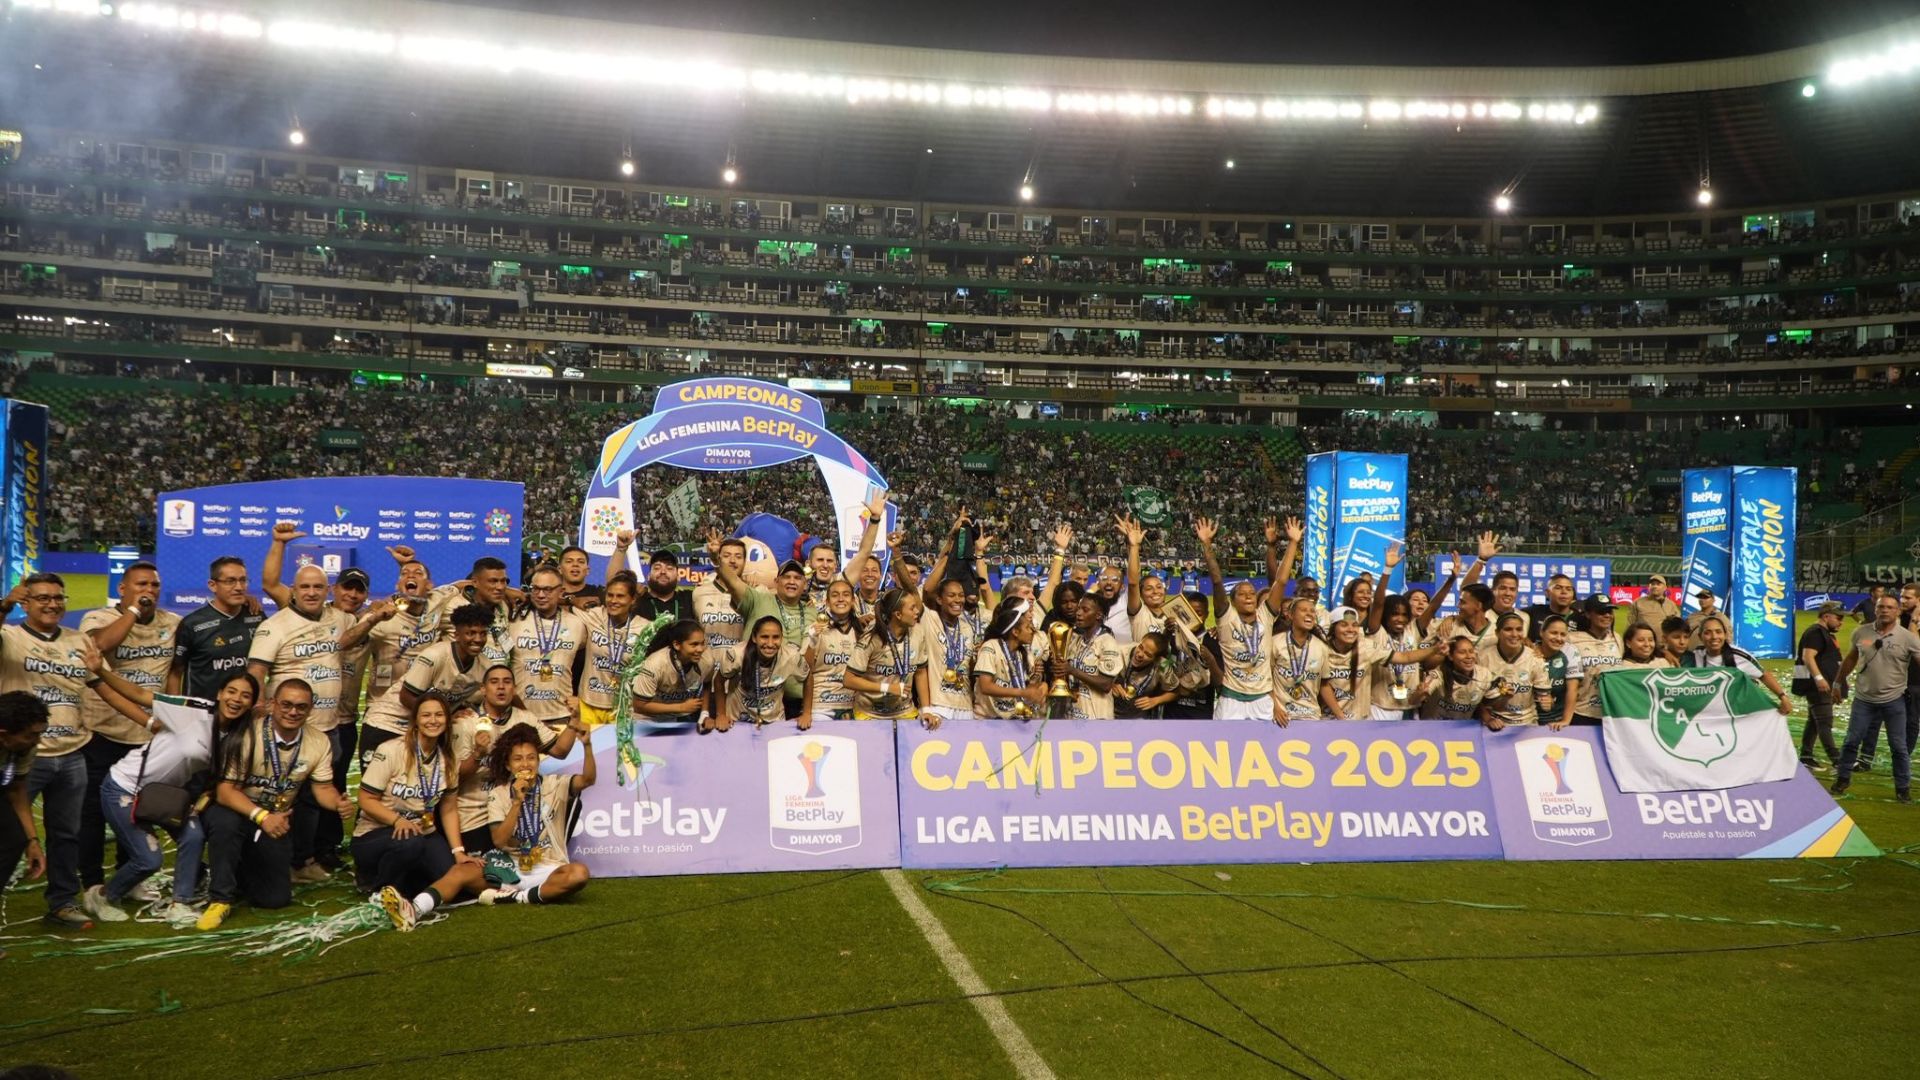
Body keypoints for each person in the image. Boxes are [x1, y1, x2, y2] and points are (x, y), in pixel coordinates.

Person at [247, 563, 392, 883]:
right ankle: (265, 857)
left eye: (317, 587)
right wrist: (257, 706)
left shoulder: (337, 618)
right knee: (279, 794)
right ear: (294, 590)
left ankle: (304, 859)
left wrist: (373, 617)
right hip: (288, 728)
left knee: (314, 799)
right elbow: (256, 670)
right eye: (305, 587)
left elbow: (347, 638)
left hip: (327, 729)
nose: (311, 592)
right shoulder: (274, 626)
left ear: (327, 591)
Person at [86, 669, 258, 928]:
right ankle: (102, 896)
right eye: (231, 692)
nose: (236, 699)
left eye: (245, 696)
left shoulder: (238, 735)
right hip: (125, 788)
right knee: (149, 860)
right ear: (219, 693)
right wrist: (100, 672)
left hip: (165, 797)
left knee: (194, 835)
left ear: (252, 703)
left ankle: (180, 903)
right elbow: (140, 694)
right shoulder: (194, 709)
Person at [197, 679, 353, 930]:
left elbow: (323, 788)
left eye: (301, 707)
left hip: (275, 819)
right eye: (286, 704)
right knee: (226, 824)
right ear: (272, 704)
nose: (293, 712)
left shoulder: (319, 741)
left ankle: (236, 871)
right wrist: (262, 817)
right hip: (236, 809)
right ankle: (220, 898)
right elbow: (225, 792)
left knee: (274, 899)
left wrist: (337, 803)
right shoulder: (248, 733)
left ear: (310, 709)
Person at [1, 572, 109, 930]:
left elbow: (104, 685)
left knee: (66, 835)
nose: (52, 604)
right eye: (43, 598)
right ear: (26, 602)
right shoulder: (10, 636)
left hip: (72, 752)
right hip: (21, 754)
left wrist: (150, 718)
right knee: (7, 836)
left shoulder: (80, 640)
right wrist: (4, 605)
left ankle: (62, 903)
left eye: (58, 597)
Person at [77, 560, 181, 902]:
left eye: (154, 585)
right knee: (93, 812)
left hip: (147, 737)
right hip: (102, 733)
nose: (149, 590)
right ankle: (92, 881)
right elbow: (99, 645)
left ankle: (130, 874)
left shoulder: (172, 623)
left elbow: (174, 671)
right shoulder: (97, 618)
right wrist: (134, 611)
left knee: (136, 811)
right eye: (141, 585)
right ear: (122, 589)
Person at [351, 692, 488, 932]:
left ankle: (405, 884)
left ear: (447, 720)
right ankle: (378, 886)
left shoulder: (448, 758)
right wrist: (397, 820)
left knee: (451, 880)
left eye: (439, 715)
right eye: (426, 715)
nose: (433, 721)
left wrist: (458, 852)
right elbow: (366, 799)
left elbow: (448, 808)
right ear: (415, 720)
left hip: (424, 832)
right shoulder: (391, 750)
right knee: (410, 842)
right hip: (376, 834)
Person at [451, 664, 582, 855]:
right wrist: (478, 754)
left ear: (514, 688)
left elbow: (560, 751)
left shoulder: (525, 718)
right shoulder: (464, 723)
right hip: (476, 815)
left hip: (515, 812)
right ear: (483, 689)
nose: (501, 687)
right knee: (481, 872)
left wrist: (574, 720)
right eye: (494, 682)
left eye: (507, 682)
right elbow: (453, 779)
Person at [360, 603, 498, 765]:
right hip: (386, 725)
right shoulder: (435, 655)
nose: (478, 639)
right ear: (457, 635)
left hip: (422, 731)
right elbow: (406, 696)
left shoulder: (485, 666)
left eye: (483, 634)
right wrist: (445, 715)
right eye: (471, 633)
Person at [478, 724, 593, 906]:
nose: (525, 764)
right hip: (512, 865)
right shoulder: (498, 793)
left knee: (579, 874)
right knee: (462, 874)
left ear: (539, 762)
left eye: (531, 758)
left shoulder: (555, 784)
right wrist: (517, 802)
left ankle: (518, 897)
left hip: (549, 866)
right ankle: (537, 893)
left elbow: (587, 780)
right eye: (518, 759)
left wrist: (587, 745)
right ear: (508, 765)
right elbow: (499, 841)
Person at [1200, 515, 1299, 720]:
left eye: (1252, 593)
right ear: (1233, 601)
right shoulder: (1227, 619)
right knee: (1224, 741)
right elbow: (1217, 581)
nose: (1248, 596)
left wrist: (1293, 542)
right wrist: (1207, 544)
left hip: (1262, 698)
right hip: (1231, 698)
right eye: (1242, 594)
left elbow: (1280, 582)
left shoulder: (1265, 616)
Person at [1831, 594, 1919, 801]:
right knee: (1851, 741)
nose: (1885, 610)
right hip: (1864, 699)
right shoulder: (1861, 632)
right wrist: (1837, 682)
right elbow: (1851, 658)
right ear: (1875, 609)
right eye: (1881, 607)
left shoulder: (1908, 638)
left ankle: (1903, 789)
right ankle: (1842, 778)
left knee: (1898, 747)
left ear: (1897, 611)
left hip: (1894, 699)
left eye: (1890, 607)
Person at [505, 565, 590, 738]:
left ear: (561, 591)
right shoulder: (513, 620)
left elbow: (587, 662)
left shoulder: (577, 624)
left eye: (548, 589)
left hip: (562, 714)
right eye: (536, 589)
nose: (541, 595)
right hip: (521, 713)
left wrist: (580, 698)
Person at [170, 556, 265, 699]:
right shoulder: (192, 624)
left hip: (243, 708)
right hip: (201, 709)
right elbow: (176, 672)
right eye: (230, 581)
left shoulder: (257, 616)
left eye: (243, 580)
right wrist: (174, 709)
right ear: (212, 585)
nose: (239, 587)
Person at [0, 691, 52, 950]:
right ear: (4, 734)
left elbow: (17, 791)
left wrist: (32, 842)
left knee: (14, 840)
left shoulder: (22, 748)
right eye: (30, 735)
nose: (37, 741)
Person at [579, 571, 653, 728]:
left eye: (620, 596)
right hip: (589, 703)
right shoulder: (594, 615)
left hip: (623, 708)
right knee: (589, 744)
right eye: (610, 595)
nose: (613, 601)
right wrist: (571, 599)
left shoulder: (645, 628)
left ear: (632, 599)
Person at [713, 616, 814, 730]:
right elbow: (718, 680)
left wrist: (807, 713)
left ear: (782, 638)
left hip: (775, 723)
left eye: (776, 637)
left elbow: (808, 677)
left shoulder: (791, 656)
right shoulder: (737, 654)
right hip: (738, 722)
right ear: (754, 637)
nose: (770, 644)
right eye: (764, 637)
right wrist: (721, 714)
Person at [1684, 614, 1794, 715]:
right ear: (1700, 637)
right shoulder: (1697, 654)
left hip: (1739, 709)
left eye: (1718, 632)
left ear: (1725, 634)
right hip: (1713, 711)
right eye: (1707, 633)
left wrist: (1783, 697)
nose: (1714, 637)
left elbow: (1764, 675)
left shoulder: (1739, 655)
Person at [845, 589, 927, 723]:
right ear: (898, 614)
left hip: (904, 712)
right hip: (869, 713)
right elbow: (849, 680)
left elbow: (921, 672)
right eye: (912, 608)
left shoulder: (918, 632)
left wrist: (926, 709)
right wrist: (887, 688)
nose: (917, 611)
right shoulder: (871, 638)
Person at [1044, 592, 1125, 721]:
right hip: (1073, 715)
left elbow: (1106, 684)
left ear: (1098, 615)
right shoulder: (1075, 640)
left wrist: (1072, 670)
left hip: (1097, 718)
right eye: (1079, 609)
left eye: (1085, 610)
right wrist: (1059, 666)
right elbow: (1066, 671)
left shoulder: (1107, 642)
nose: (1078, 613)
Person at [917, 576, 981, 728]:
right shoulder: (930, 619)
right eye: (951, 595)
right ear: (939, 600)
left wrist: (977, 659)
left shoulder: (967, 627)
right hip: (938, 706)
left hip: (965, 706)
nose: (958, 600)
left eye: (961, 595)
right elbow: (924, 590)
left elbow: (968, 669)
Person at [629, 620, 716, 726]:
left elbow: (707, 683)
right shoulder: (655, 664)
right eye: (694, 644)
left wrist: (704, 713)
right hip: (645, 719)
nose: (700, 649)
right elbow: (639, 705)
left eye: (702, 643)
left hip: (675, 717)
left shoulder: (707, 661)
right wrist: (681, 707)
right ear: (677, 645)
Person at [973, 599, 1049, 720]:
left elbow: (1027, 687)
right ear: (1015, 632)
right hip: (986, 722)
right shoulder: (990, 647)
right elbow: (985, 686)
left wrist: (1041, 687)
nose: (1032, 631)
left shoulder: (1024, 654)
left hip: (1012, 722)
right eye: (1028, 627)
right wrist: (1021, 692)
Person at [1478, 613, 1551, 729]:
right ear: (1497, 633)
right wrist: (1488, 719)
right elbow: (1476, 698)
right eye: (1508, 629)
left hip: (1527, 722)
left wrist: (1547, 702)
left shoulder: (1535, 658)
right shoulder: (1483, 658)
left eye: (1519, 629)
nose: (1514, 634)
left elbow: (1544, 697)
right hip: (1493, 722)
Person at [1796, 601, 1845, 772]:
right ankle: (1837, 760)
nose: (1841, 622)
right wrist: (1819, 679)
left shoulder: (1821, 632)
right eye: (1838, 618)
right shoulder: (1816, 633)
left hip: (1818, 683)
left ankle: (1806, 756)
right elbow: (1807, 657)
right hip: (1817, 685)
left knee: (1814, 721)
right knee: (1824, 722)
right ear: (1826, 616)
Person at [804, 579, 862, 723]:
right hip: (822, 705)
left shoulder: (862, 630)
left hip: (854, 705)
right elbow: (806, 669)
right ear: (827, 602)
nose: (841, 599)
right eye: (835, 595)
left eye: (846, 595)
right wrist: (812, 640)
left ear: (853, 601)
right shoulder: (816, 628)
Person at [1271, 596, 1329, 726]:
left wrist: (1341, 717)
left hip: (1310, 716)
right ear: (1291, 615)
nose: (1309, 614)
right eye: (1303, 610)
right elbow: (1266, 681)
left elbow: (1324, 685)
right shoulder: (1275, 643)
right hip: (1282, 717)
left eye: (1312, 611)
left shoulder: (1322, 647)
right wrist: (1275, 706)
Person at [1567, 596, 1624, 725]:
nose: (1607, 615)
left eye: (1609, 611)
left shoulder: (1617, 639)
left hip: (1611, 712)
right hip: (1582, 712)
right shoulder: (1572, 639)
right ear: (1588, 614)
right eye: (1601, 612)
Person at [616, 539, 694, 623]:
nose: (663, 571)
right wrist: (621, 548)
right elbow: (615, 584)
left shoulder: (689, 599)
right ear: (648, 576)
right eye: (657, 568)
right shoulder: (637, 600)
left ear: (678, 576)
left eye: (669, 568)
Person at [691, 535, 748, 650]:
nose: (732, 561)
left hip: (741, 660)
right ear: (719, 558)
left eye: (738, 556)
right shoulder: (699, 592)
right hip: (707, 659)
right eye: (726, 556)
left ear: (745, 561)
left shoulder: (753, 593)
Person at [1418, 637, 1491, 722]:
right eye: (1462, 652)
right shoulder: (1439, 674)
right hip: (1432, 727)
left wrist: (1489, 719)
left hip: (1461, 728)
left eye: (1471, 651)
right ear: (1450, 656)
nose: (1468, 656)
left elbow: (1482, 703)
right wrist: (1419, 693)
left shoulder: (1484, 675)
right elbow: (1413, 701)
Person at [1112, 633, 1180, 719]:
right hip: (1111, 710)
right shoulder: (1119, 652)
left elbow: (1176, 692)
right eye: (1140, 647)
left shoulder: (1163, 666)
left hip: (1138, 715)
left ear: (1156, 659)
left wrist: (1156, 700)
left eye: (1148, 654)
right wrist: (1110, 685)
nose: (1140, 654)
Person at [1535, 615, 1582, 731]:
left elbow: (1573, 690)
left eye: (1563, 634)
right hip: (1530, 718)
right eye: (1554, 633)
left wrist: (1565, 720)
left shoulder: (1570, 651)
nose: (1559, 638)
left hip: (1556, 719)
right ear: (1541, 632)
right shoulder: (1529, 651)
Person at [1525, 574, 1579, 644]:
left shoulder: (1580, 619)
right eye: (1558, 588)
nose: (1564, 592)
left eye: (1568, 589)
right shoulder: (1533, 612)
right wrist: (1524, 639)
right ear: (1547, 593)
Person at [556, 545, 603, 610]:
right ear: (560, 569)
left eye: (581, 562)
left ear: (587, 570)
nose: (575, 564)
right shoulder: (552, 594)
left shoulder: (598, 593)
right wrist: (570, 600)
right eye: (569, 561)